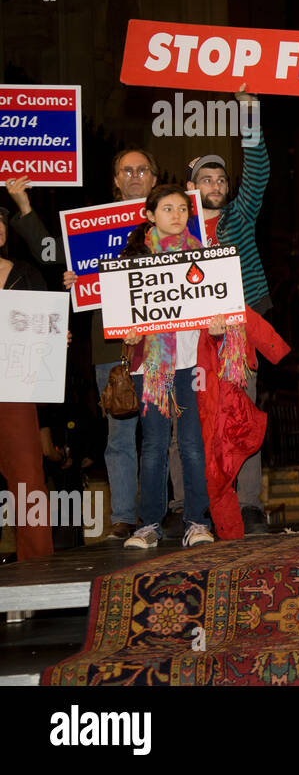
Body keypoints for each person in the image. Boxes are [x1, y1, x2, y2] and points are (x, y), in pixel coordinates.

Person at [5, 150, 159, 539]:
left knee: (166, 435)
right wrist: (24, 205)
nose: (135, 175)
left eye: (143, 170)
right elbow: (49, 252)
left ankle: (168, 514)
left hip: (165, 344)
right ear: (116, 180)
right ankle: (124, 518)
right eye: (127, 170)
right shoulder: (91, 227)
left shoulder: (172, 221)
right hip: (112, 346)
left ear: (154, 180)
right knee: (120, 434)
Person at [117, 186, 222, 549]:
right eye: (167, 208)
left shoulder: (204, 257)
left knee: (192, 444)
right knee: (154, 445)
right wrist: (128, 333)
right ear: (150, 215)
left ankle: (197, 522)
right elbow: (122, 317)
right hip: (151, 366)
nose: (176, 214)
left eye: (182, 208)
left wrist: (217, 326)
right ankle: (148, 525)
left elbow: (216, 307)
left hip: (192, 362)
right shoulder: (132, 260)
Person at [186, 87, 271, 533]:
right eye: (206, 180)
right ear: (191, 189)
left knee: (242, 413)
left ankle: (251, 504)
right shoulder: (176, 229)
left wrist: (249, 113)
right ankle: (190, 507)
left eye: (220, 179)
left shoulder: (240, 215)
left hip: (241, 332)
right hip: (190, 339)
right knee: (190, 417)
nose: (216, 186)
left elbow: (257, 171)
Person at [0, 204, 55, 560]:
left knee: (28, 482)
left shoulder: (26, 274)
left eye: (0, 224)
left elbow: (46, 334)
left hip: (14, 391)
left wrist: (54, 339)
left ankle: (36, 573)